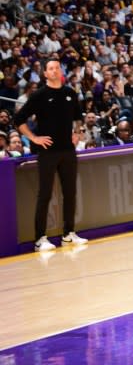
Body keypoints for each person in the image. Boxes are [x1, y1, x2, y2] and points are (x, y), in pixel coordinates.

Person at [14, 56, 89, 252]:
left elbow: (78, 117)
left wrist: (77, 131)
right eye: (50, 68)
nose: (54, 71)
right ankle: (40, 238)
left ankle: (68, 235)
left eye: (57, 68)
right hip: (47, 152)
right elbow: (19, 119)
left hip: (68, 151)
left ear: (61, 72)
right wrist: (34, 138)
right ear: (45, 73)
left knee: (70, 193)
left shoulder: (70, 93)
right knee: (44, 195)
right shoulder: (39, 95)